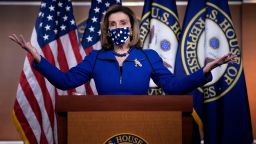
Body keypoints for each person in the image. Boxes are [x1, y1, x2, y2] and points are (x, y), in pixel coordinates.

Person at [9, 5, 235, 95]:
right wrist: (38, 58)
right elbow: (65, 81)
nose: (118, 28)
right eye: (113, 25)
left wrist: (204, 71)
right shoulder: (95, 58)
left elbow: (173, 87)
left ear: (131, 28)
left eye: (123, 23)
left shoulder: (148, 56)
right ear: (107, 30)